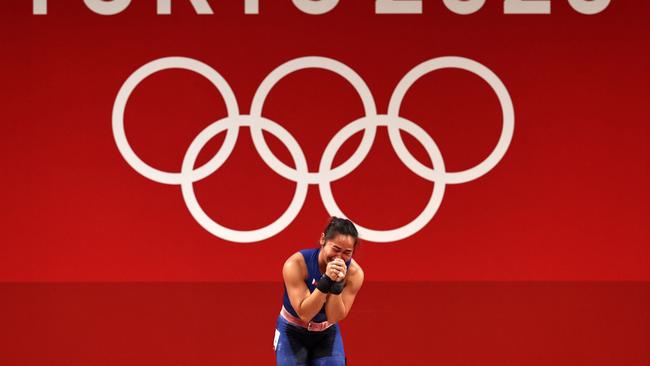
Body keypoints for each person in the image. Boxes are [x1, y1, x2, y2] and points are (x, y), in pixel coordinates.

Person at [274, 217, 365, 366]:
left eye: (347, 252)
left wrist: (336, 286)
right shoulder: (296, 264)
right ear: (323, 239)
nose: (339, 257)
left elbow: (334, 316)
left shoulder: (354, 274)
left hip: (326, 334)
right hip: (292, 332)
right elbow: (305, 314)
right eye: (335, 249)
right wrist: (326, 281)